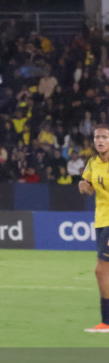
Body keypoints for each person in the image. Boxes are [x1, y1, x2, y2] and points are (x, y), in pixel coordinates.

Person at [78, 124, 109, 332]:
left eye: (105, 137)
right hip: (100, 220)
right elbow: (88, 189)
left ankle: (106, 322)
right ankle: (105, 322)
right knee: (103, 272)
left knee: (101, 270)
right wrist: (84, 188)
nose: (100, 141)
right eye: (97, 137)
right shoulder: (92, 162)